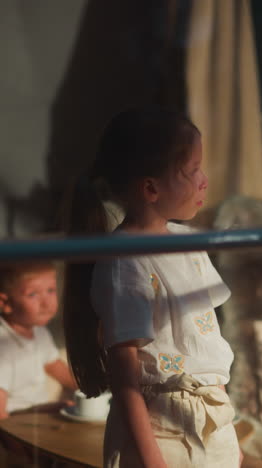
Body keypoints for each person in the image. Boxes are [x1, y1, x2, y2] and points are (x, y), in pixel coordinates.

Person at [63, 109, 241, 467]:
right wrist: (152, 460)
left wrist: (228, 436)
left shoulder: (188, 243)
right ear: (150, 188)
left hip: (212, 421)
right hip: (160, 433)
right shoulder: (124, 262)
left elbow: (202, 345)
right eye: (192, 171)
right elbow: (125, 377)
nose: (204, 180)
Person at [0, 261, 77, 419]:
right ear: (5, 303)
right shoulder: (4, 346)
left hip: (39, 418)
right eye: (32, 294)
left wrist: (96, 391)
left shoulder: (40, 332)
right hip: (15, 425)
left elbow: (55, 367)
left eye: (50, 290)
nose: (47, 303)